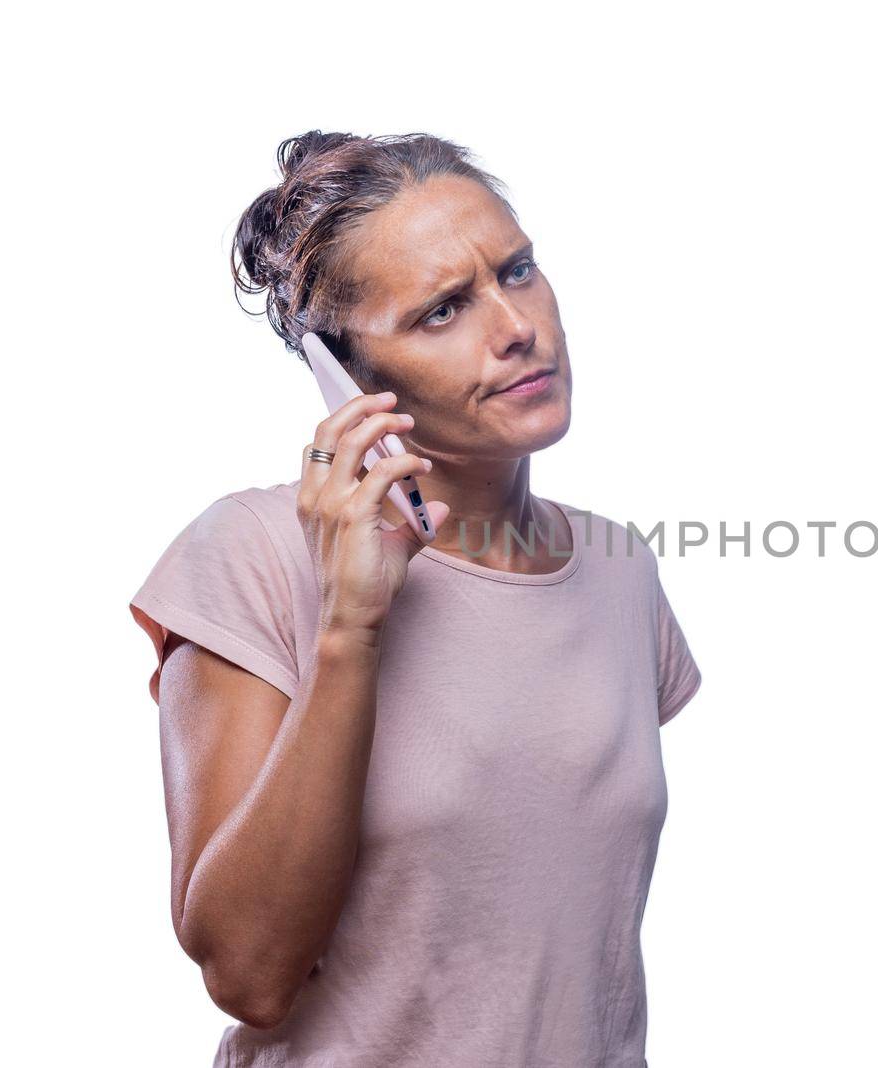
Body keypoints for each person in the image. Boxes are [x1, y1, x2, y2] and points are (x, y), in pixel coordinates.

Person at [128, 130, 702, 1067]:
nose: (516, 325)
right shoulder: (252, 555)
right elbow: (247, 973)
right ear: (347, 377)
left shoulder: (620, 567)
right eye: (442, 311)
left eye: (517, 270)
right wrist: (350, 629)